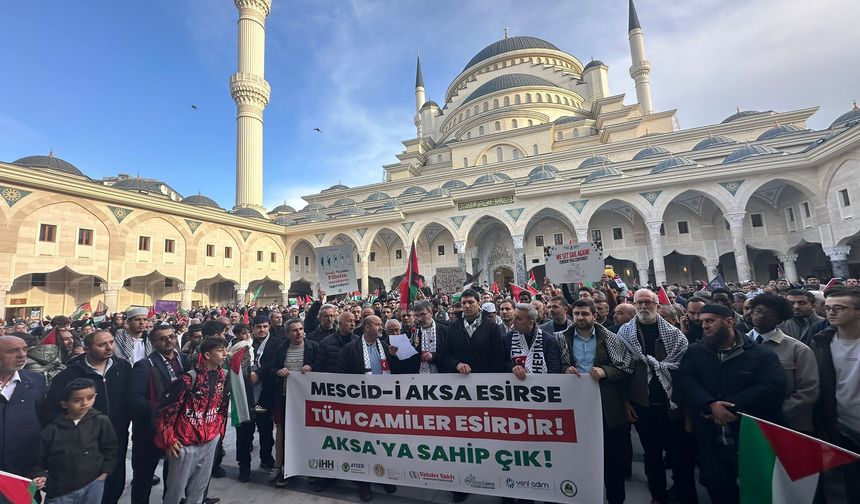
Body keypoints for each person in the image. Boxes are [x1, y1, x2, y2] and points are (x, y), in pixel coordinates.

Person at [680, 304, 785, 504]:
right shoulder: (695, 352)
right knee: (719, 489)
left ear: (728, 322)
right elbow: (687, 381)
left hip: (749, 436)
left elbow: (774, 386)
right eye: (702, 322)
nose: (704, 326)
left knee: (755, 490)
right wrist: (709, 404)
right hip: (712, 438)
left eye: (710, 321)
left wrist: (730, 407)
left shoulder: (760, 354)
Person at [616, 289, 696, 504]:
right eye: (639, 303)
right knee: (652, 456)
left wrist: (687, 413)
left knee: (680, 456)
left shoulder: (675, 335)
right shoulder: (624, 334)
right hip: (642, 405)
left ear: (657, 306)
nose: (643, 307)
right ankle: (658, 496)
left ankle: (686, 496)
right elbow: (622, 371)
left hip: (672, 406)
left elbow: (684, 374)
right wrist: (625, 402)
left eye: (648, 303)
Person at [40, 330, 132, 504]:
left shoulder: (123, 367)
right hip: (82, 442)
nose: (109, 347)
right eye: (102, 344)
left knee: (114, 482)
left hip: (116, 436)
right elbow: (52, 410)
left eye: (111, 342)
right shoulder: (69, 375)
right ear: (86, 349)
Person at [558, 300, 632, 504]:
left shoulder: (610, 339)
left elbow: (626, 367)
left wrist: (605, 371)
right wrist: (565, 369)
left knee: (611, 458)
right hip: (575, 404)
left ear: (594, 316)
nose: (580, 318)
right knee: (579, 458)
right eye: (577, 314)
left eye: (585, 314)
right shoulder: (561, 338)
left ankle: (616, 499)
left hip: (605, 404)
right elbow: (556, 363)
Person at [156, 337, 230, 504]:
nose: (225, 353)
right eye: (220, 350)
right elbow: (167, 411)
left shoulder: (223, 377)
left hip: (210, 440)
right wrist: (169, 439)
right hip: (185, 443)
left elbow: (222, 407)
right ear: (207, 355)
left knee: (199, 488)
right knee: (175, 491)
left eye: (225, 349)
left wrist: (218, 432)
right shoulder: (189, 379)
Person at [127, 323, 190, 504]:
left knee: (174, 473)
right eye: (162, 338)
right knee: (143, 477)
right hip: (150, 431)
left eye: (171, 336)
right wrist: (161, 412)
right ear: (153, 343)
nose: (168, 341)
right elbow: (134, 398)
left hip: (178, 429)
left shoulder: (183, 359)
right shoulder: (144, 365)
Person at [338, 315, 398, 502]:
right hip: (361, 406)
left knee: (384, 442)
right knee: (364, 445)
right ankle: (364, 482)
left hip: (384, 403)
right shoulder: (351, 348)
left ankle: (384, 475)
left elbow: (396, 371)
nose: (381, 328)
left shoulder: (386, 346)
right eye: (378, 324)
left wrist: (395, 356)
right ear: (367, 327)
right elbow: (341, 376)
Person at [34, 378, 118, 504]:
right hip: (59, 491)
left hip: (92, 485)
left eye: (90, 398)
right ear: (64, 404)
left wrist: (104, 474)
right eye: (77, 400)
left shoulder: (101, 421)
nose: (85, 403)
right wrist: (41, 476)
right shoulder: (52, 430)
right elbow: (38, 460)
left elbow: (110, 448)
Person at [811, 286, 860, 501]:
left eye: (839, 308)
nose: (830, 312)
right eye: (828, 307)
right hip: (843, 428)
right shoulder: (821, 342)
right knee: (853, 487)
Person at [747, 294, 819, 433]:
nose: (761, 316)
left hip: (788, 424)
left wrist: (775, 413)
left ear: (780, 319)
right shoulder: (738, 345)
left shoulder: (798, 349)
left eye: (769, 314)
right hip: (747, 421)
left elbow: (808, 391)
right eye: (758, 311)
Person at [269, 318, 318, 487]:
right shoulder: (281, 348)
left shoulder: (313, 347)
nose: (299, 333)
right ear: (287, 333)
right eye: (295, 330)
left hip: (308, 400)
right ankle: (286, 468)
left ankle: (310, 468)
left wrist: (312, 367)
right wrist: (278, 371)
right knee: (285, 435)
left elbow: (322, 366)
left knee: (308, 434)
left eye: (301, 329)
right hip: (285, 399)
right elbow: (272, 368)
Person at [0, 335, 47, 480]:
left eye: (25, 349)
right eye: (13, 351)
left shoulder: (36, 380)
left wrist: (39, 469)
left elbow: (42, 422)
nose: (22, 355)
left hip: (23, 471)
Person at [441, 289, 505, 375]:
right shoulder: (453, 327)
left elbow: (498, 356)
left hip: (486, 381)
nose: (467, 306)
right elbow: (446, 354)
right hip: (460, 380)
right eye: (464, 303)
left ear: (478, 303)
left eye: (470, 302)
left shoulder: (492, 327)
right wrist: (457, 365)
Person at [248, 313, 280, 470]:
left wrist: (258, 374)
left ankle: (266, 457)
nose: (262, 330)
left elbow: (274, 362)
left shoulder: (277, 343)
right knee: (246, 426)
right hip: (247, 390)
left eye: (265, 327)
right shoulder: (246, 343)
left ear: (269, 327)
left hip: (266, 391)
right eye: (259, 327)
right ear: (253, 328)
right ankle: (244, 462)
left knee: (265, 428)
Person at [390, 301, 449, 374]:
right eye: (416, 316)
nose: (419, 319)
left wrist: (434, 357)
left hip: (443, 376)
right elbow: (408, 358)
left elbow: (451, 355)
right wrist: (397, 354)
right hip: (418, 378)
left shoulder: (445, 330)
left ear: (430, 312)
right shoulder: (412, 332)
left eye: (422, 314)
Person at [504, 303, 561, 376]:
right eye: (514, 317)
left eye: (518, 319)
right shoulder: (507, 338)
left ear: (530, 322)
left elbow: (554, 369)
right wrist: (512, 367)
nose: (514, 321)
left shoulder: (548, 341)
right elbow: (501, 363)